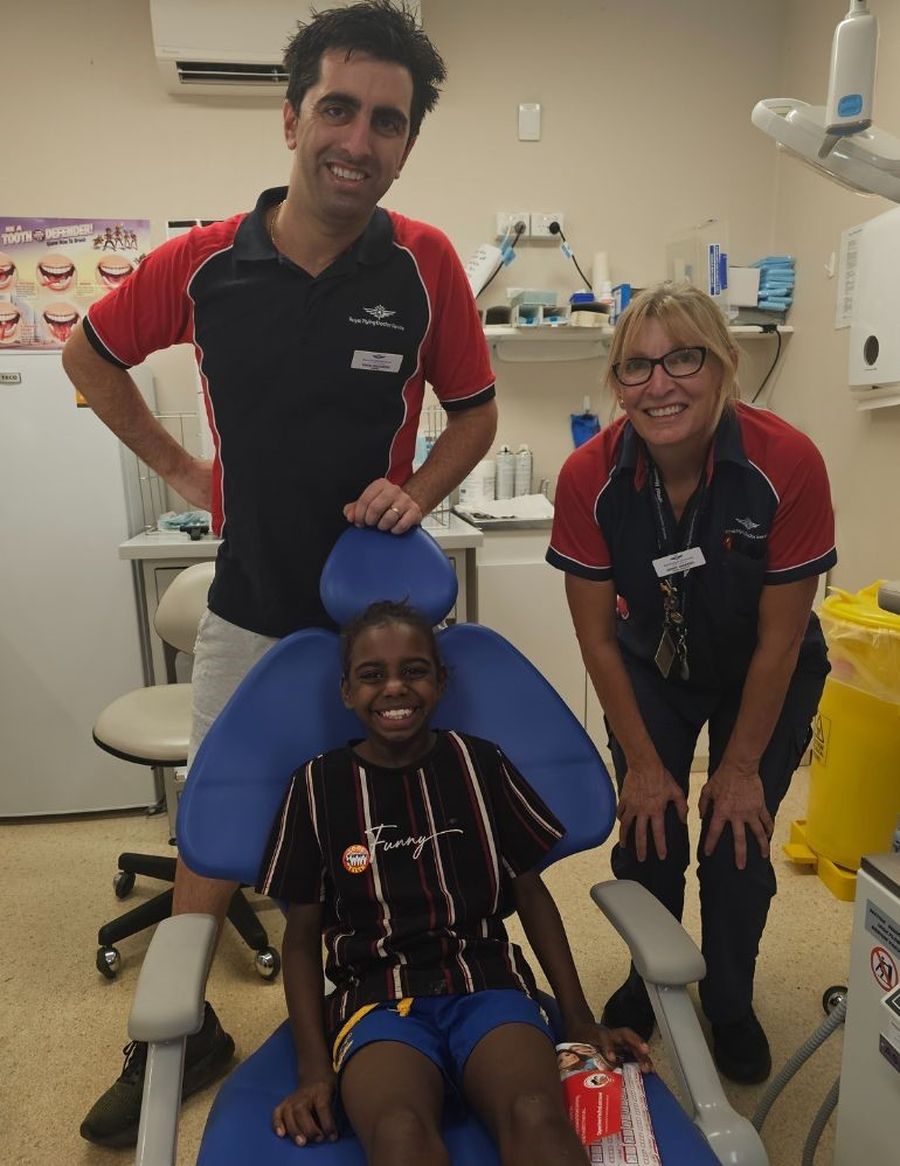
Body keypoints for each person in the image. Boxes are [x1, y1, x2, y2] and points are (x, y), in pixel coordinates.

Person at [66, 1, 497, 1147]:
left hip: (379, 618)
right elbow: (87, 353)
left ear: (408, 142)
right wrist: (187, 470)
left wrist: (427, 486)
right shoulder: (203, 264)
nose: (359, 139)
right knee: (219, 828)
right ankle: (173, 1033)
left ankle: (413, 1000)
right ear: (293, 115)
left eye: (389, 121)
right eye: (339, 108)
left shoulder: (426, 263)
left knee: (401, 812)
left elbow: (477, 407)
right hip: (251, 603)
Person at [547, 282, 836, 1085]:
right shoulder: (589, 478)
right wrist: (643, 765)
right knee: (648, 833)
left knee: (736, 841)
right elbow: (597, 639)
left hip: (763, 669)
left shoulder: (787, 464)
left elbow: (779, 645)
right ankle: (647, 974)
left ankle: (731, 1001)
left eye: (683, 358)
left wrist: (739, 770)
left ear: (728, 366)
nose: (659, 384)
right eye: (634, 367)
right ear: (616, 383)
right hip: (650, 667)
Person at [256, 600, 651, 1164]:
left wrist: (579, 1016)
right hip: (377, 1001)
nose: (395, 688)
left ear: (441, 682)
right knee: (398, 1132)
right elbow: (299, 939)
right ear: (346, 692)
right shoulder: (317, 787)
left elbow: (532, 894)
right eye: (372, 676)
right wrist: (314, 1071)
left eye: (414, 670)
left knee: (537, 1113)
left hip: (487, 984)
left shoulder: (480, 764)